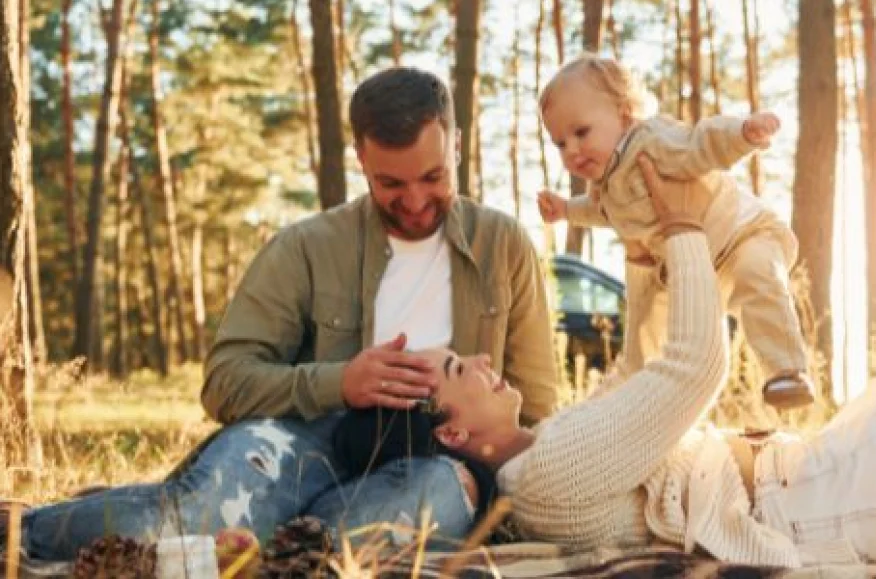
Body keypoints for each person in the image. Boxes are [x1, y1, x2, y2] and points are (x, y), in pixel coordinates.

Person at [383, 155, 876, 568]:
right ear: (454, 435)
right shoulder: (550, 471)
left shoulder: (553, 442)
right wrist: (682, 229)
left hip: (805, 469)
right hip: (816, 513)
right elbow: (695, 367)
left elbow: (643, 371)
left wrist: (647, 247)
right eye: (461, 369)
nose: (486, 363)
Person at [9, 67, 560, 561]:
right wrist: (338, 383)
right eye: (390, 183)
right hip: (304, 441)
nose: (415, 201)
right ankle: (20, 529)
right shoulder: (306, 247)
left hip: (433, 463)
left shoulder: (503, 245)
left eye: (433, 177)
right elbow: (225, 383)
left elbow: (534, 405)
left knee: (422, 503)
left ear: (456, 146)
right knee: (179, 523)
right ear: (361, 159)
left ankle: (254, 556)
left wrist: (492, 483)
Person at [535, 54, 813, 411]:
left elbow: (700, 145)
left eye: (581, 132)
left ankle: (786, 371)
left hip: (745, 233)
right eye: (560, 143)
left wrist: (742, 133)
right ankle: (630, 397)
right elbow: (604, 213)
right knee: (650, 321)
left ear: (623, 115)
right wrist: (565, 210)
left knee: (756, 273)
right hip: (702, 269)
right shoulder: (605, 184)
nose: (571, 150)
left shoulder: (650, 142)